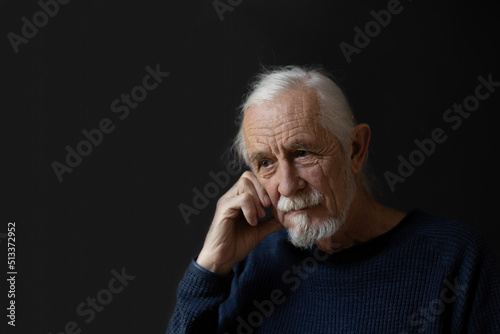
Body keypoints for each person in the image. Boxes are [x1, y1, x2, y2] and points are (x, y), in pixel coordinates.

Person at [166, 66, 500, 333]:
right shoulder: (253, 262)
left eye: (302, 153)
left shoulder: (455, 259)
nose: (286, 186)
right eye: (266, 163)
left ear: (355, 149)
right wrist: (209, 268)